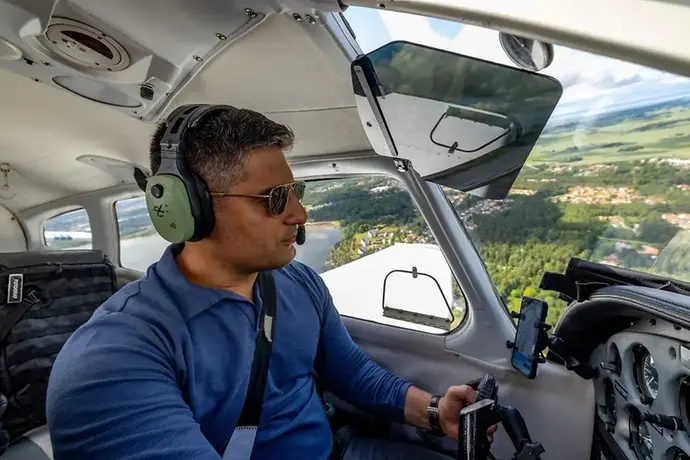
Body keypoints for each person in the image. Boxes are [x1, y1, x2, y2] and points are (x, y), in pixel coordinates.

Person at [46, 106, 496, 460]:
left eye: (296, 192)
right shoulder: (112, 357)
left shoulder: (299, 283)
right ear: (190, 208)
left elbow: (353, 374)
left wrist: (435, 412)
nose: (299, 214)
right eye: (275, 198)